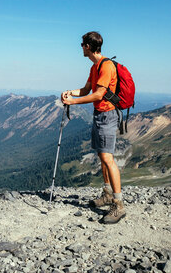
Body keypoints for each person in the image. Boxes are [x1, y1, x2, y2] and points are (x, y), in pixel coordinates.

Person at [61, 31, 126, 224]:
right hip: (100, 115)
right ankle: (107, 193)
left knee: (107, 158)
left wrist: (74, 102)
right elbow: (86, 89)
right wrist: (70, 92)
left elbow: (98, 95)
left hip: (107, 115)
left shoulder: (106, 66)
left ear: (88, 46)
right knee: (101, 155)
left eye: (82, 44)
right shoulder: (94, 67)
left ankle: (118, 204)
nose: (81, 47)